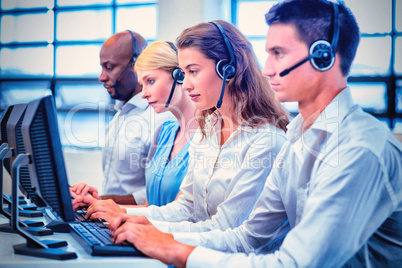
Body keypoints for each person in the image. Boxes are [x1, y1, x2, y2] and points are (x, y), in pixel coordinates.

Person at [102, 1, 402, 267]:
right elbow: (248, 237)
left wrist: (172, 248)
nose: (267, 69)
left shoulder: (359, 149)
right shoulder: (298, 139)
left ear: (323, 57)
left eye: (278, 54)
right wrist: (144, 228)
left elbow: (295, 263)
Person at [72, 20, 289, 236]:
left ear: (228, 69)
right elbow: (185, 208)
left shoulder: (265, 142)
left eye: (193, 71)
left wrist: (138, 228)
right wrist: (121, 214)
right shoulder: (209, 130)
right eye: (183, 74)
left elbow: (225, 229)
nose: (185, 85)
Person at [71, 31, 174, 205]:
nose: (102, 77)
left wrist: (101, 201)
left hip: (138, 223)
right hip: (112, 217)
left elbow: (155, 195)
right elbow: (117, 187)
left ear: (136, 64)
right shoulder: (120, 114)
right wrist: (94, 199)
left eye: (109, 67)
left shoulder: (160, 119)